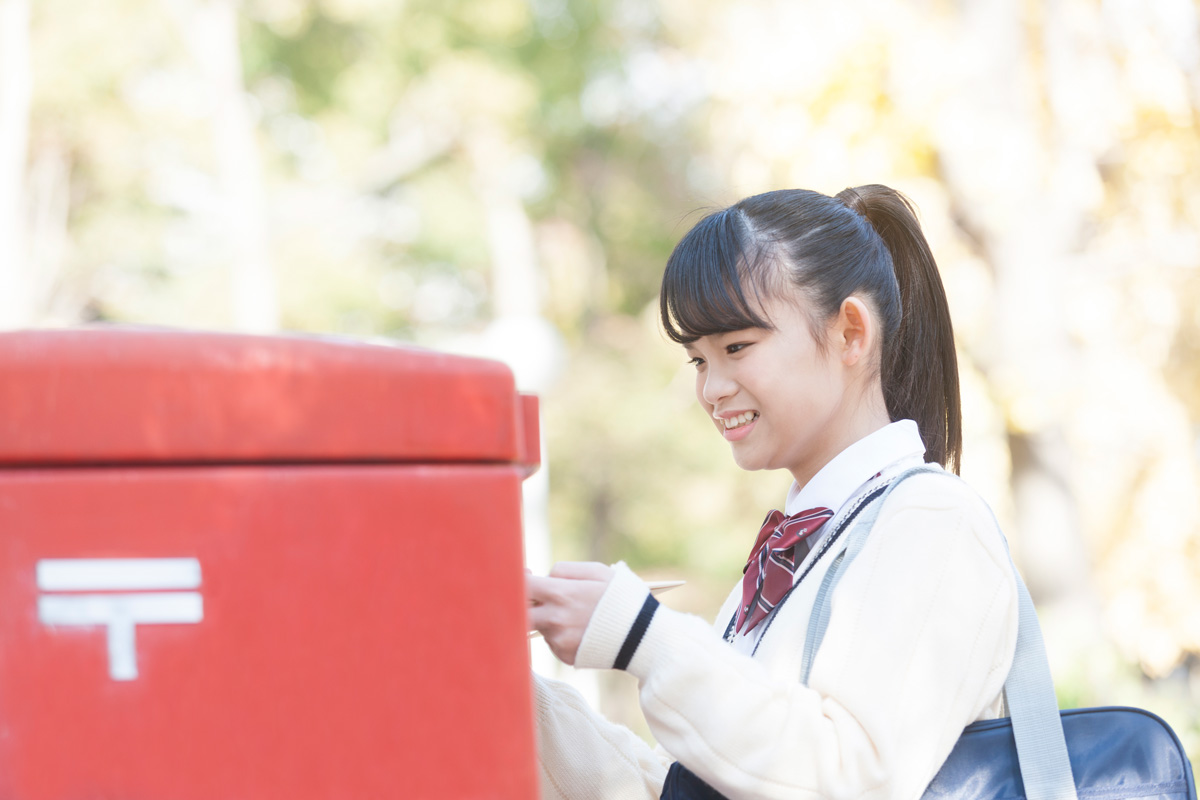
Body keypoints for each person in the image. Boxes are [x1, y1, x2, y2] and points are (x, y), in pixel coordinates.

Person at [525, 186, 1018, 800]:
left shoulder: (932, 519)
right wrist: (506, 687)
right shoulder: (803, 544)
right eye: (698, 361)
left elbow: (852, 778)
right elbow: (682, 788)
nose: (712, 388)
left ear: (850, 333)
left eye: (736, 348)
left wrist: (645, 636)